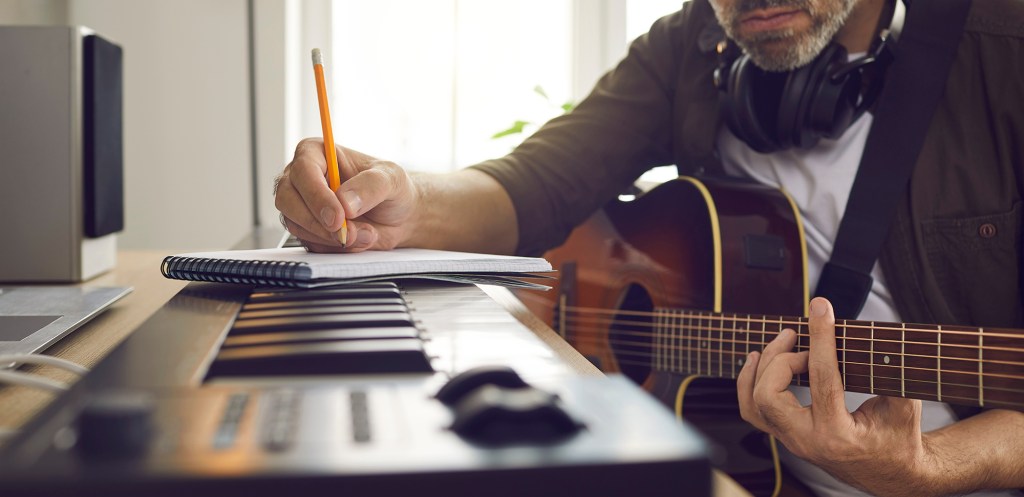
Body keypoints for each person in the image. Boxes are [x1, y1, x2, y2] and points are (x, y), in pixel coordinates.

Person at [274, 0, 1024, 495]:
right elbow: (527, 190)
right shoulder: (688, 48)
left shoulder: (1005, 51)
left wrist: (941, 464)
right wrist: (400, 202)